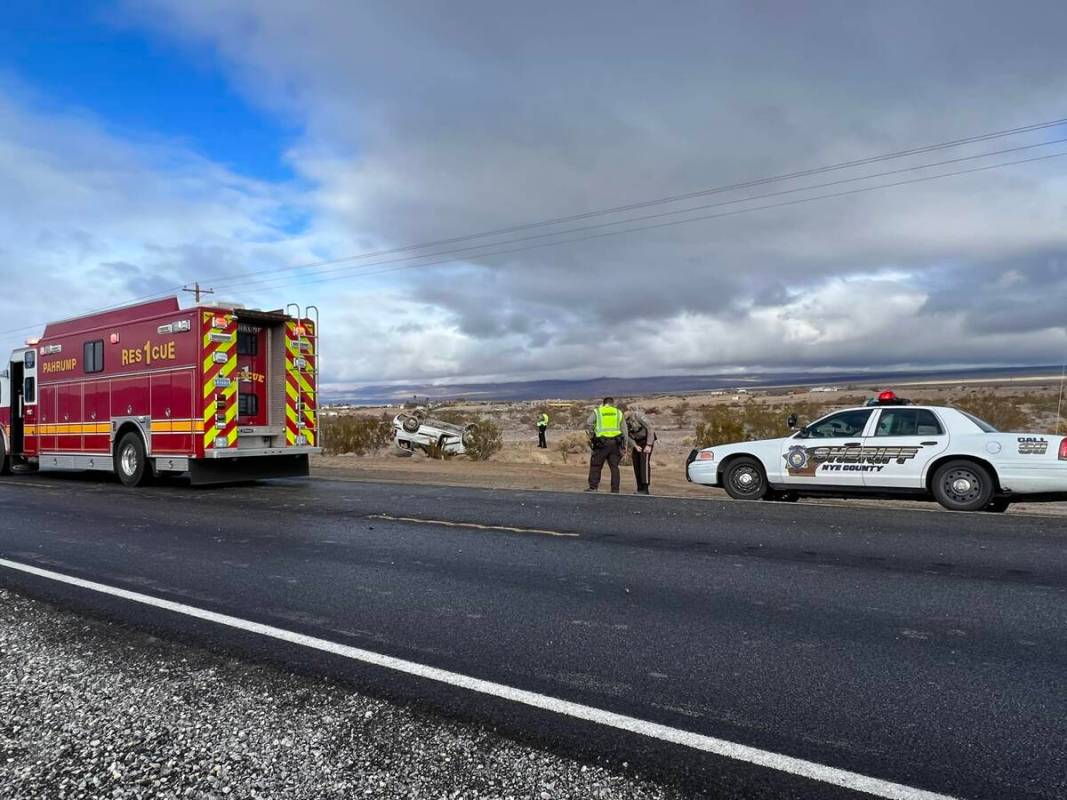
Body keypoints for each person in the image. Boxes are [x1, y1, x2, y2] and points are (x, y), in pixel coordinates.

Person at [585, 397, 629, 493]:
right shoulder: (618, 412)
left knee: (596, 465)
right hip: (615, 443)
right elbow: (624, 430)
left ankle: (593, 487)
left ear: (604, 403)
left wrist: (592, 435)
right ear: (612, 403)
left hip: (601, 443)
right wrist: (625, 445)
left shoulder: (598, 411)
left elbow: (588, 423)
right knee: (614, 467)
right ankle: (615, 489)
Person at [625, 407, 657, 494]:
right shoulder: (624, 422)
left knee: (644, 463)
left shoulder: (638, 415)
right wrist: (635, 445)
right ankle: (639, 488)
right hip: (636, 442)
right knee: (636, 463)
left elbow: (650, 428)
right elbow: (626, 435)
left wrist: (649, 445)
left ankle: (645, 488)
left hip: (646, 440)